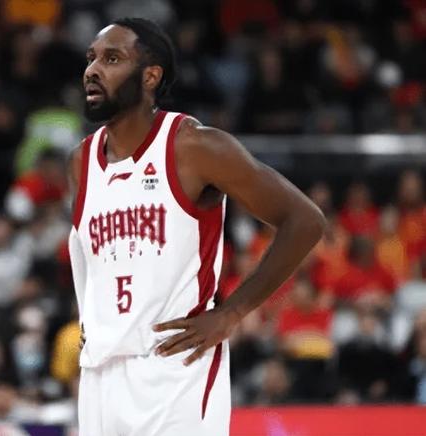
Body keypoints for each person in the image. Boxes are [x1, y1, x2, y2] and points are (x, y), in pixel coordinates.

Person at [67, 18, 325, 435]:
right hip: (100, 374)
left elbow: (305, 220)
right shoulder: (81, 162)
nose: (92, 70)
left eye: (111, 59)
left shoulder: (194, 146)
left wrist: (233, 312)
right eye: (91, 58)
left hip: (174, 368)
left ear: (150, 76)